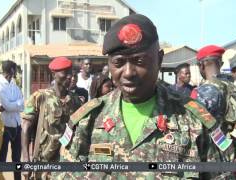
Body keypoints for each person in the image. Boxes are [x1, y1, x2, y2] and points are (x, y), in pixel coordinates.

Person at [54, 14, 216, 179]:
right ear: (109, 64)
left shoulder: (194, 120)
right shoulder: (87, 120)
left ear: (159, 60)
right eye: (118, 63)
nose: (128, 72)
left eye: (139, 61)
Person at [21, 57, 82, 180]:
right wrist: (26, 158)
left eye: (71, 73)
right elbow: (25, 127)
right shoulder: (39, 97)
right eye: (65, 73)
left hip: (67, 160)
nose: (70, 77)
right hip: (44, 160)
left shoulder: (75, 100)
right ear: (54, 74)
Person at [195, 45, 236, 179]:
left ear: (202, 66)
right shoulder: (230, 86)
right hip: (226, 150)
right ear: (220, 63)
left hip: (209, 157)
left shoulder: (205, 91)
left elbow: (193, 125)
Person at [0, 60, 24, 180]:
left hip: (17, 125)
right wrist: (16, 104)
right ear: (11, 70)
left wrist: (12, 105)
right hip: (4, 126)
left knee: (17, 158)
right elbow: (4, 106)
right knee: (2, 159)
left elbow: (22, 105)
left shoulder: (14, 84)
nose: (16, 72)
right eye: (15, 70)